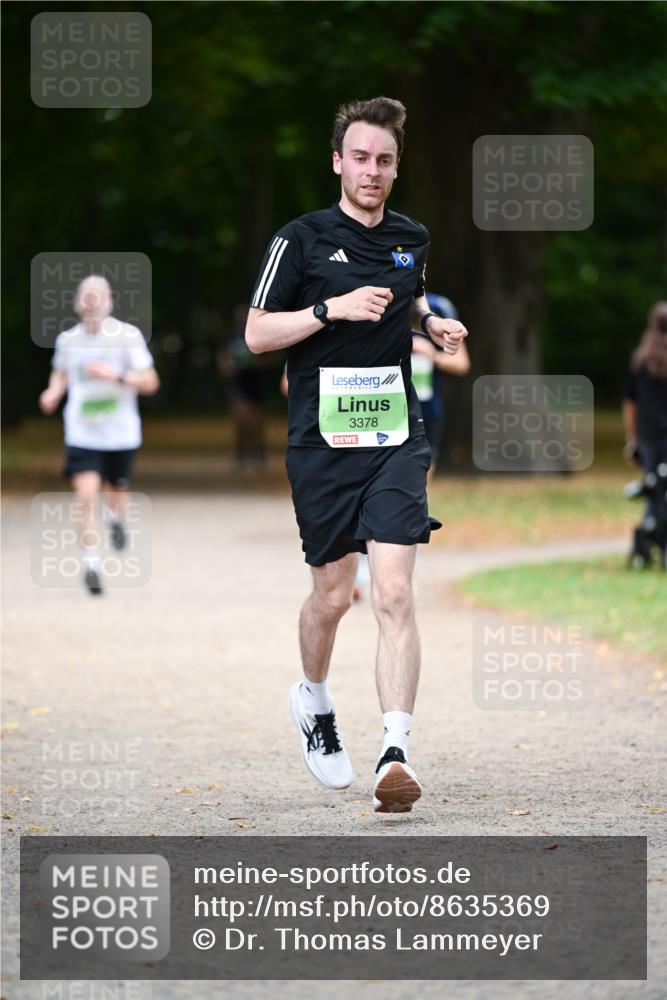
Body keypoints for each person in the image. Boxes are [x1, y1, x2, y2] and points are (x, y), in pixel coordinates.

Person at [245, 97, 468, 813]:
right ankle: (311, 699)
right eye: (361, 157)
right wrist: (326, 311)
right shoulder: (300, 240)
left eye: (384, 161)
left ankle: (394, 751)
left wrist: (438, 324)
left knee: (394, 591)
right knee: (333, 595)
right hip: (320, 442)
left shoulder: (412, 237)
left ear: (396, 168)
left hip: (394, 436)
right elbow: (254, 335)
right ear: (337, 161)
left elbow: (416, 300)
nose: (372, 171)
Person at [38, 275, 159, 595]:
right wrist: (52, 392)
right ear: (77, 302)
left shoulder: (127, 336)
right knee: (85, 496)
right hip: (82, 432)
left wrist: (116, 375)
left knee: (115, 493)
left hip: (120, 433)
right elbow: (61, 372)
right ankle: (92, 564)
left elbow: (150, 382)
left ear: (109, 301)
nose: (91, 301)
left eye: (98, 295)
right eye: (86, 295)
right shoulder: (68, 340)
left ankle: (114, 516)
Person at [411, 292, 471, 470]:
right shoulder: (376, 301)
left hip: (426, 411)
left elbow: (462, 363)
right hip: (384, 408)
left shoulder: (439, 306)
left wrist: (433, 355)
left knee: (421, 485)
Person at [217, 303, 270, 470]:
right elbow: (223, 358)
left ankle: (258, 453)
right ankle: (241, 453)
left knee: (257, 420)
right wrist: (228, 368)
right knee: (240, 420)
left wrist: (259, 363)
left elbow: (271, 357)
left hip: (255, 381)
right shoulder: (230, 338)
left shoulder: (259, 335)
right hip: (238, 382)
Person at [623, 301, 667, 476]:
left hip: (649, 435)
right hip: (651, 436)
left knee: (653, 487)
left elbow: (630, 405)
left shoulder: (641, 361)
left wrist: (632, 439)